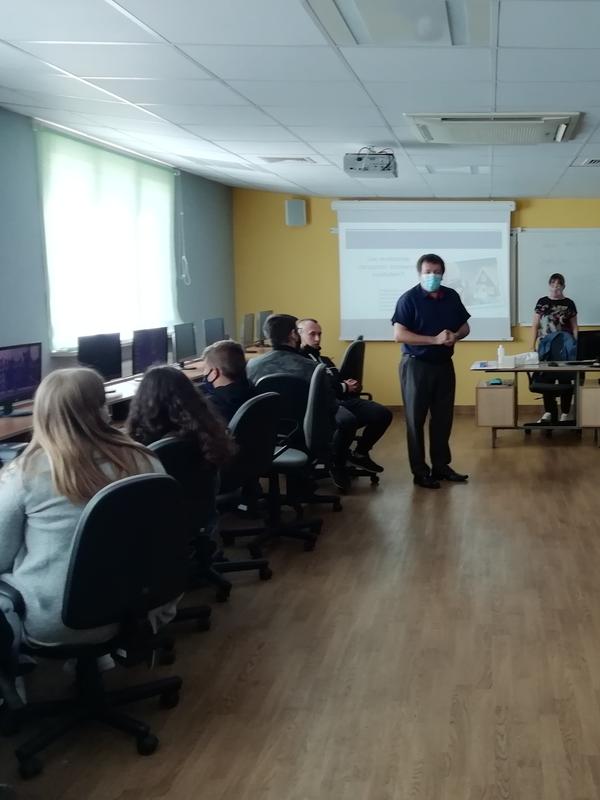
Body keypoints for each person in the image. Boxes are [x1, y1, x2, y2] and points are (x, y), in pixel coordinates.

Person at [0, 368, 167, 659]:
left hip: (58, 622)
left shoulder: (25, 474)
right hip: (139, 605)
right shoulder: (146, 458)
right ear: (103, 409)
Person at [392, 253, 470, 489]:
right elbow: (399, 335)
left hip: (444, 365)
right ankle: (420, 471)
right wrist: (433, 340)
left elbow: (465, 326)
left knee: (443, 419)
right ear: (420, 273)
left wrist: (455, 335)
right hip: (416, 365)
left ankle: (441, 466)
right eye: (428, 272)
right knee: (415, 420)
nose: (432, 276)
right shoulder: (409, 299)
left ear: (443, 274)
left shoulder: (451, 296)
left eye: (436, 272)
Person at [246, 314, 347, 488]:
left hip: (265, 433)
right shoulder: (313, 368)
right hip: (304, 433)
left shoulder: (252, 365)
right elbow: (330, 406)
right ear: (294, 334)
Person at [297, 318, 392, 474]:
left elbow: (335, 380)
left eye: (319, 334)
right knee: (347, 421)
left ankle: (360, 454)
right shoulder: (300, 361)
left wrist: (350, 385)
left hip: (343, 400)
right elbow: (319, 388)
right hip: (325, 405)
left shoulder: (324, 359)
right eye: (312, 334)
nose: (317, 338)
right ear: (298, 334)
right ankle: (337, 463)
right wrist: (342, 386)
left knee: (383, 414)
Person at [530, 273, 578, 423]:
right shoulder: (542, 302)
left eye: (558, 285)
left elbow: (574, 326)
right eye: (553, 285)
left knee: (565, 380)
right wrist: (532, 346)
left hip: (565, 348)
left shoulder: (569, 303)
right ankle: (549, 412)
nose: (555, 288)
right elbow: (535, 325)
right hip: (546, 347)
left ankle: (565, 413)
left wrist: (576, 345)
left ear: (563, 286)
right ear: (549, 285)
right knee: (546, 380)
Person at [200, 339, 255, 422]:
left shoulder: (211, 406)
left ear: (215, 373)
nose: (204, 373)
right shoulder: (253, 388)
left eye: (205, 368)